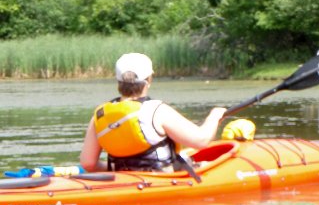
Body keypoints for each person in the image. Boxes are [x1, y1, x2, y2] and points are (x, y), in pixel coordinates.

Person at [80, 53, 227, 172]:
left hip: (123, 179)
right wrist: (214, 116)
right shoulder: (156, 110)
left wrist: (119, 171)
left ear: (118, 82)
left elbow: (88, 164)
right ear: (148, 80)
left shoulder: (100, 115)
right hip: (162, 180)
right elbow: (200, 141)